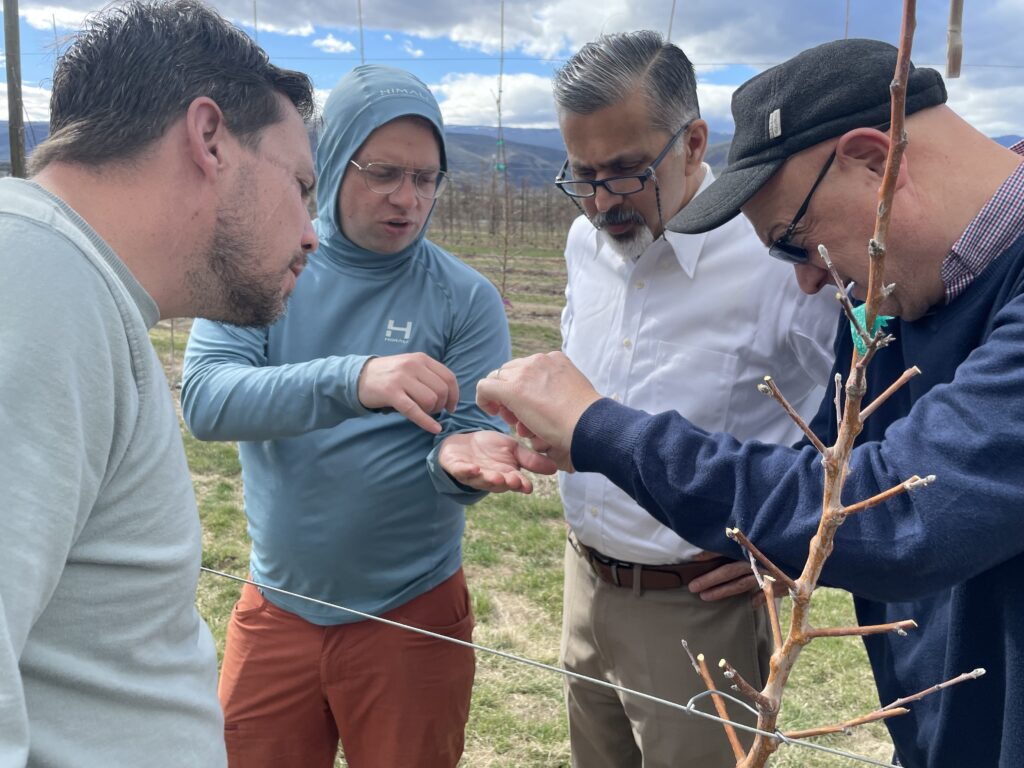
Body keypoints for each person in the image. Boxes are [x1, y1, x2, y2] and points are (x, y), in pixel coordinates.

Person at [478, 38, 1024, 768]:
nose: (806, 287)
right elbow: (843, 449)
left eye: (796, 243)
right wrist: (771, 530)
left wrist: (599, 427)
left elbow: (900, 512)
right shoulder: (917, 287)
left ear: (874, 161)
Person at [180, 64, 552, 768]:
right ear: (332, 158)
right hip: (277, 604)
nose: (407, 199)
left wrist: (458, 464)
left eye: (426, 179)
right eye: (384, 172)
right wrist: (356, 379)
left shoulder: (464, 299)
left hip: (411, 613)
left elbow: (472, 435)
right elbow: (207, 397)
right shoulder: (268, 263)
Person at [0, 2, 318, 766]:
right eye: (302, 185)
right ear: (209, 137)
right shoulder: (37, 288)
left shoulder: (71, 283)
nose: (312, 229)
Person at [548, 31, 838, 767]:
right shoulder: (586, 245)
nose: (603, 202)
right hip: (583, 584)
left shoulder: (776, 256)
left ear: (694, 141)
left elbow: (862, 408)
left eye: (624, 171)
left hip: (701, 613)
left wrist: (798, 540)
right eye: (582, 175)